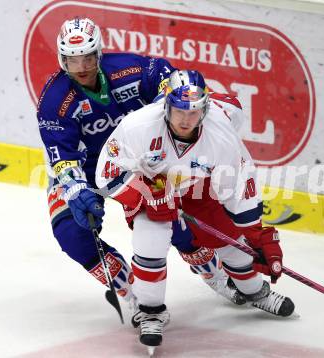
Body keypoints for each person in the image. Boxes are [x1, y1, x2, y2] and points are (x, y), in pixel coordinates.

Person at [37, 17, 246, 323]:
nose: (80, 67)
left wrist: (160, 130)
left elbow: (168, 80)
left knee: (175, 221)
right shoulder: (54, 101)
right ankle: (133, 296)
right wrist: (76, 189)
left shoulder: (130, 69)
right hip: (87, 167)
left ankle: (215, 275)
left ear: (99, 53)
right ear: (61, 59)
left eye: (87, 58)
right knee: (72, 235)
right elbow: (63, 158)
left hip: (137, 161)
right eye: (71, 60)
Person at [95, 70, 295, 348]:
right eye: (179, 110)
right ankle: (150, 312)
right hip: (153, 190)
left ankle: (254, 291)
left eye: (194, 111)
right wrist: (144, 192)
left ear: (205, 108)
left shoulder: (221, 136)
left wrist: (255, 234)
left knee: (232, 241)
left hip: (199, 190)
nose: (186, 119)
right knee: (149, 241)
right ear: (166, 105)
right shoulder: (138, 126)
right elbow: (107, 172)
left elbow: (238, 187)